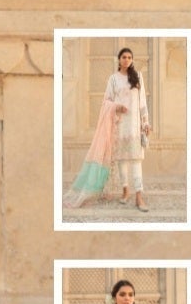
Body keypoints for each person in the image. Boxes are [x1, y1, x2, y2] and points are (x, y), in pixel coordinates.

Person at [65, 45, 151, 212]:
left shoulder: (138, 77)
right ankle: (125, 191)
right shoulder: (113, 79)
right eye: (124, 57)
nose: (127, 60)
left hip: (135, 127)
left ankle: (139, 196)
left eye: (129, 57)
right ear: (119, 60)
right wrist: (117, 107)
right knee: (121, 160)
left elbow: (142, 103)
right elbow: (106, 101)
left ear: (132, 60)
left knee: (136, 160)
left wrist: (146, 123)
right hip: (119, 125)